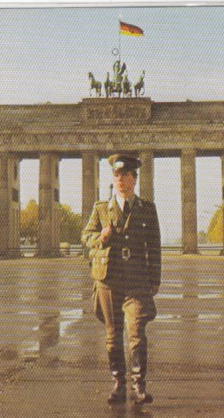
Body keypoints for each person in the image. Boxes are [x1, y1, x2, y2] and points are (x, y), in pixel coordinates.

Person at [81, 153, 161, 405]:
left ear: (135, 179)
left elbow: (155, 248)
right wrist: (100, 237)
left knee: (137, 332)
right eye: (117, 175)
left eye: (126, 175)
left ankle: (139, 384)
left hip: (137, 280)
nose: (121, 180)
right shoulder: (101, 209)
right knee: (112, 334)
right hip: (108, 280)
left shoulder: (147, 209)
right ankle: (118, 382)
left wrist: (154, 279)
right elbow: (85, 236)